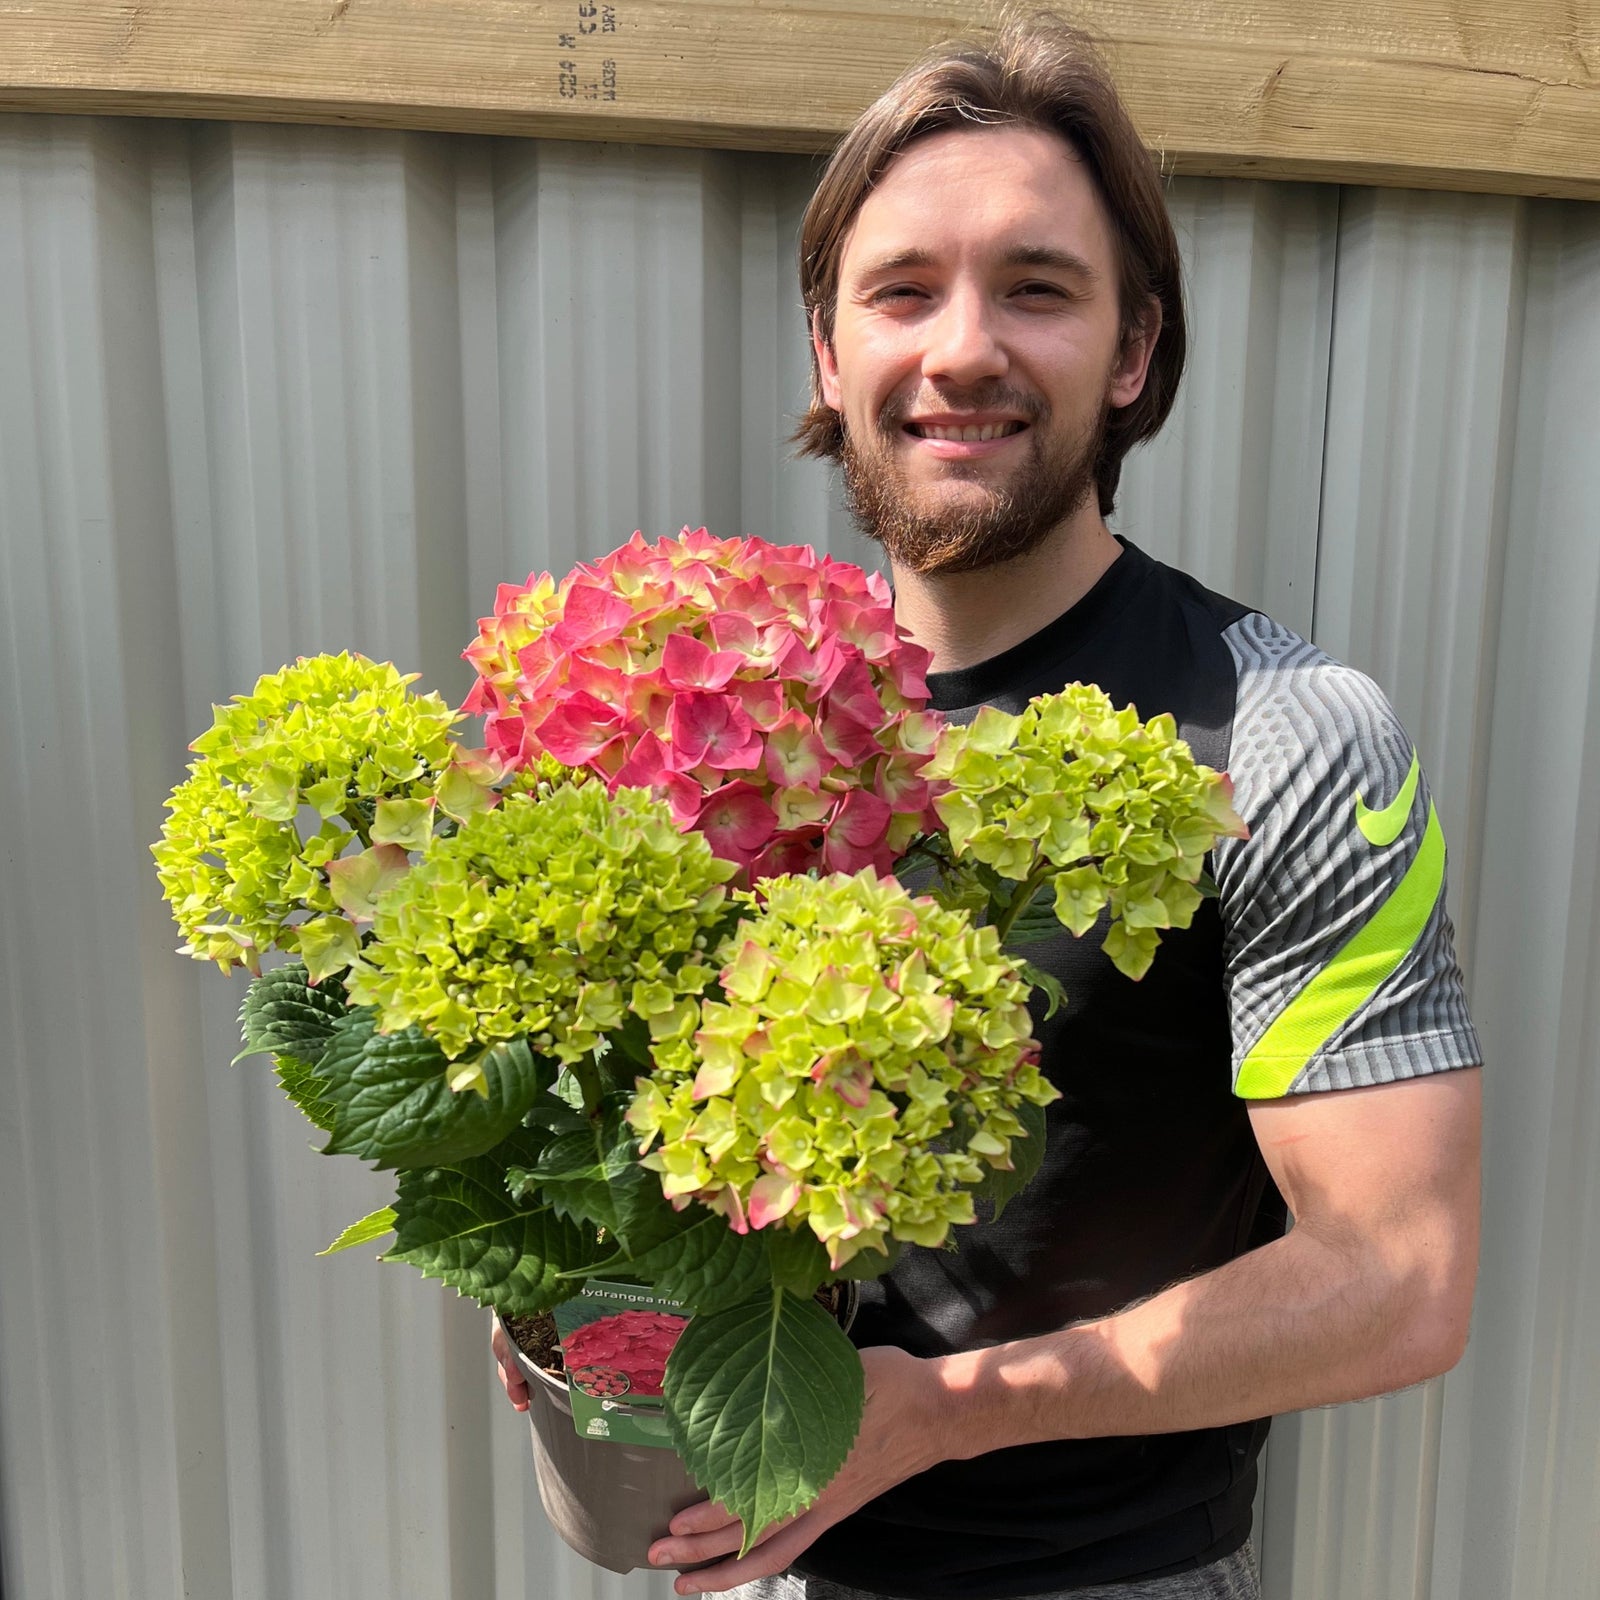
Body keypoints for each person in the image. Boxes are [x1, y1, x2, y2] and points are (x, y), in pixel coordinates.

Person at [494, 15, 1483, 1599]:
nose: (962, 348)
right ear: (829, 350)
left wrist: (939, 1418)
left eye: (1037, 286)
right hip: (740, 1547)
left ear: (1136, 349)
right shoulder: (713, 719)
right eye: (902, 291)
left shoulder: (1285, 739)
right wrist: (575, 1302)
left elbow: (1399, 1281)